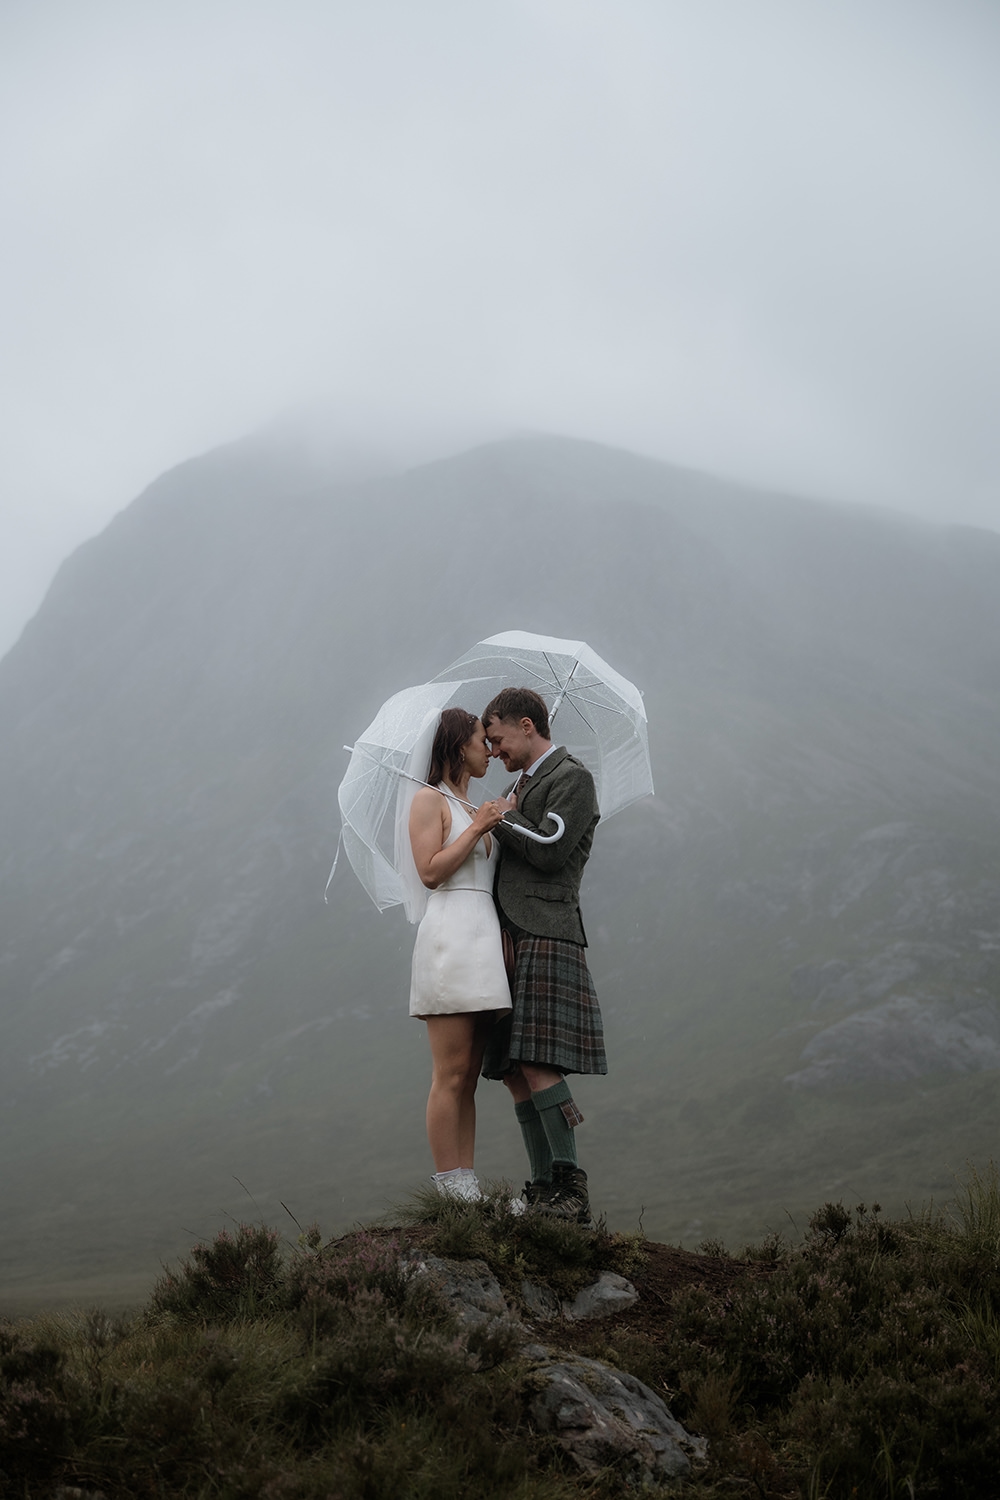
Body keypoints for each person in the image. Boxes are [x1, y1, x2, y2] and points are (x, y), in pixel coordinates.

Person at [481, 686, 605, 1226]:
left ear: (527, 725)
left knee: (537, 1060)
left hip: (548, 932)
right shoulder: (518, 785)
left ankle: (568, 1189)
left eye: (498, 738)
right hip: (513, 936)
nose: (493, 751)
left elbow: (552, 851)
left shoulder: (572, 778)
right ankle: (540, 1190)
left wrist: (501, 820)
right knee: (513, 1069)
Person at [407, 707, 510, 1200]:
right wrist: (477, 828)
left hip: (483, 935)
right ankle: (450, 1184)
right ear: (456, 746)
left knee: (469, 1072)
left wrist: (491, 820)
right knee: (449, 1071)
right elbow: (429, 871)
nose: (488, 749)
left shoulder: (475, 806)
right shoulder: (430, 800)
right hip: (449, 933)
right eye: (479, 740)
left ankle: (465, 1180)